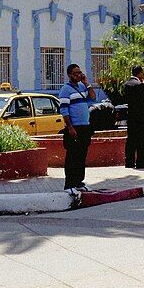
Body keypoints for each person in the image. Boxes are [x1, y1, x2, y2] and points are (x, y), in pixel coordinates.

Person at [58, 63, 96, 193]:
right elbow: (64, 109)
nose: (78, 75)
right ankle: (69, 184)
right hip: (74, 128)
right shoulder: (65, 89)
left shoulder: (82, 87)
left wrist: (87, 83)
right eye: (75, 73)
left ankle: (79, 182)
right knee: (72, 157)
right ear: (69, 75)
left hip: (85, 127)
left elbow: (92, 97)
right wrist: (70, 127)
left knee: (82, 155)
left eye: (79, 72)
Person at [124, 65, 144, 169]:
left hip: (131, 116)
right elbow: (142, 103)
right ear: (140, 73)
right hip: (140, 117)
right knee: (141, 140)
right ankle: (140, 162)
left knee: (131, 139)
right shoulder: (139, 85)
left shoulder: (127, 84)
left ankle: (129, 162)